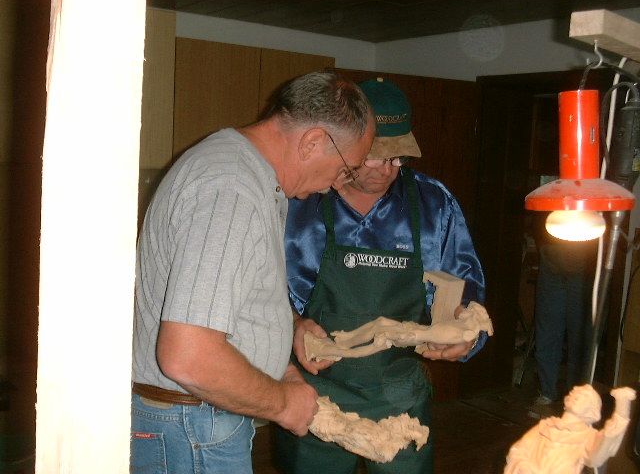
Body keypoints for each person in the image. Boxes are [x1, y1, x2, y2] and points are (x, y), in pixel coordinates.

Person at [130, 71, 376, 474]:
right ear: (313, 142)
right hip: (192, 426)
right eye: (345, 169)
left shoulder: (250, 175)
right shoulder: (231, 188)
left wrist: (284, 349)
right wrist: (283, 403)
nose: (337, 184)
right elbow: (189, 356)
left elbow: (231, 303)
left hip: (199, 419)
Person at [275, 77, 487, 474]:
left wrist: (465, 332)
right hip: (313, 390)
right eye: (373, 156)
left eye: (398, 158)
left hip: (399, 394)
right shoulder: (298, 201)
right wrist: (291, 325)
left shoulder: (433, 203)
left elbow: (464, 288)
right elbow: (257, 292)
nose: (386, 170)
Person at [532, 213, 598, 406]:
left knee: (580, 338)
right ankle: (547, 392)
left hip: (583, 268)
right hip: (551, 263)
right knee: (547, 334)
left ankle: (576, 398)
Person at [504, 384, 636, 474]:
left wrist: (622, 405)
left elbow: (606, 443)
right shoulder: (546, 426)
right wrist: (524, 465)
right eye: (575, 393)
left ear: (592, 410)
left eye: (584, 397)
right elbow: (518, 450)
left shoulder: (587, 436)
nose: (576, 396)